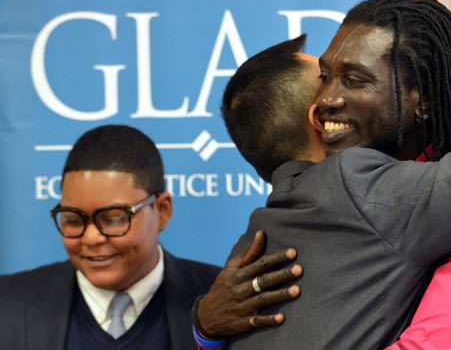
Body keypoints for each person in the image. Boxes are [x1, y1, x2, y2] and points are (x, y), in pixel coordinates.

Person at [192, 3, 451, 348]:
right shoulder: (315, 207)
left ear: (424, 96)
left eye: (353, 79)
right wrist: (206, 327)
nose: (328, 98)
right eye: (325, 77)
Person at [0, 125, 266, 350]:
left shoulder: (229, 300)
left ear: (162, 210)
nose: (91, 238)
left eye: (113, 218)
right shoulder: (8, 303)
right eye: (73, 219)